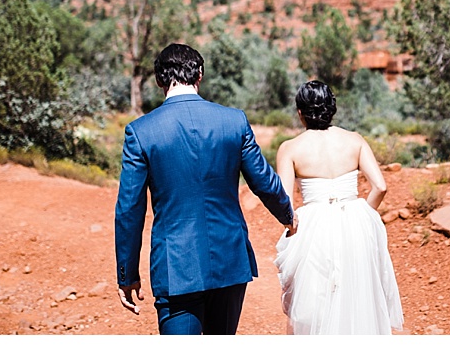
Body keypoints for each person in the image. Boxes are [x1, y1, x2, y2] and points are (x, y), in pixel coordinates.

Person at [114, 43, 297, 335]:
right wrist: (287, 215)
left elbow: (129, 209)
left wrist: (127, 273)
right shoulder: (233, 121)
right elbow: (263, 180)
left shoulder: (141, 131)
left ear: (160, 80)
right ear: (199, 75)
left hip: (176, 266)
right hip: (229, 258)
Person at [273, 80, 404, 335]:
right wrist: (363, 214)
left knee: (315, 301)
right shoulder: (354, 140)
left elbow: (285, 203)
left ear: (300, 113)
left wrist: (292, 228)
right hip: (354, 218)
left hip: (314, 224)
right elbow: (380, 186)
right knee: (356, 292)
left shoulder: (289, 148)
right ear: (331, 108)